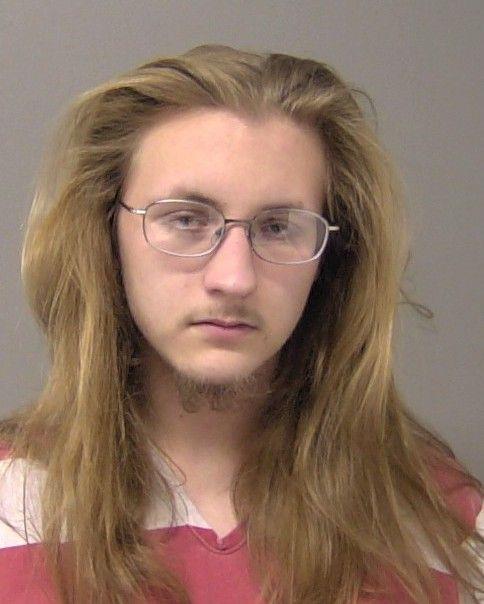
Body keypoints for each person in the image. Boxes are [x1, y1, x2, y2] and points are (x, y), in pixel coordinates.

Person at [0, 44, 482, 604]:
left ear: (333, 259)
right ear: (105, 234)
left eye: (278, 227)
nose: (234, 278)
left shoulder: (446, 529)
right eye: (186, 219)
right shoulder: (10, 504)